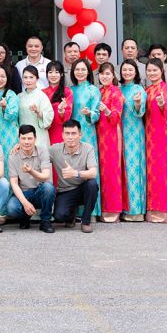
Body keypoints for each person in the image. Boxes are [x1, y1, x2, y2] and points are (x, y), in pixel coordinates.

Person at [49, 119, 99, 233]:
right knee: (59, 216)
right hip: (65, 191)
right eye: (67, 133)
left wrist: (75, 173)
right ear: (62, 135)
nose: (70, 137)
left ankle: (85, 222)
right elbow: (38, 153)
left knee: (92, 184)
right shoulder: (54, 149)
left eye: (74, 133)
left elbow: (93, 173)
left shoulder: (88, 148)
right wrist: (20, 146)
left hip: (83, 189)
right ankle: (71, 214)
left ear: (80, 135)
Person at [144, 58, 167, 223]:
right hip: (149, 133)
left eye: (155, 70)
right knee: (152, 171)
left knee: (164, 170)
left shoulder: (165, 88)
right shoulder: (147, 89)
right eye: (149, 70)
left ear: (162, 71)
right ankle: (153, 209)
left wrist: (162, 104)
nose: (152, 73)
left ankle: (166, 211)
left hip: (162, 133)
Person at [5, 125, 55, 232]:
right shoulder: (13, 156)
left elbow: (46, 175)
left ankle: (45, 221)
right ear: (19, 139)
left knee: (49, 187)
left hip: (39, 191)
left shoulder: (42, 151)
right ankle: (25, 217)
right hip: (24, 192)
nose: (26, 142)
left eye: (29, 138)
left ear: (35, 139)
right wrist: (25, 203)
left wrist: (31, 171)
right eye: (23, 138)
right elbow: (14, 183)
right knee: (11, 207)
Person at [68, 58, 101, 216]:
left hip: (87, 133)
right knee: (72, 168)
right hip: (70, 134)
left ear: (88, 71)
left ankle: (90, 211)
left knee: (88, 168)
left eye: (83, 69)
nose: (80, 72)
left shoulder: (93, 90)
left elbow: (96, 113)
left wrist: (89, 114)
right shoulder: (70, 90)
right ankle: (73, 210)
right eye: (77, 69)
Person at [95, 62, 125, 223]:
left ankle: (113, 210)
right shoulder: (99, 91)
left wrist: (106, 110)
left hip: (112, 135)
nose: (105, 76)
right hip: (99, 135)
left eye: (108, 73)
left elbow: (116, 118)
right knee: (101, 171)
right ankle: (101, 208)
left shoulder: (116, 92)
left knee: (112, 171)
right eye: (102, 73)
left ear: (113, 75)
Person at [118, 60, 147, 221]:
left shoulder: (139, 89)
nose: (127, 72)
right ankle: (123, 207)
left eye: (130, 69)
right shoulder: (118, 89)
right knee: (122, 169)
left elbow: (140, 112)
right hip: (119, 131)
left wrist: (137, 104)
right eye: (124, 69)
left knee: (133, 168)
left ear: (136, 72)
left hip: (134, 133)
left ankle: (135, 211)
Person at [0, 66, 20, 173]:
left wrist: (5, 107)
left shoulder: (10, 94)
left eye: (3, 76)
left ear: (7, 79)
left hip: (9, 136)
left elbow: (13, 115)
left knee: (9, 165)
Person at [18, 65, 53, 152]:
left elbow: (49, 115)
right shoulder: (19, 96)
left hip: (39, 135)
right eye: (25, 77)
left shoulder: (42, 96)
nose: (28, 80)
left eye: (31, 77)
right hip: (23, 136)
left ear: (37, 79)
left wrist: (38, 112)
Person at [43, 61, 72, 146]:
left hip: (60, 131)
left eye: (56, 72)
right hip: (45, 130)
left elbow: (67, 116)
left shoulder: (67, 92)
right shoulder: (42, 92)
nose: (53, 75)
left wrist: (61, 111)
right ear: (46, 74)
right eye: (50, 72)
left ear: (61, 74)